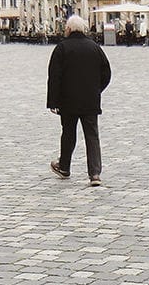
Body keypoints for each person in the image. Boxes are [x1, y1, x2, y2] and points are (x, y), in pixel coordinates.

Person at [47, 14, 111, 187]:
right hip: (90, 100)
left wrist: (53, 102)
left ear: (68, 29)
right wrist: (97, 90)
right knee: (92, 136)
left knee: (68, 134)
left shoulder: (61, 48)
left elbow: (54, 77)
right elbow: (106, 73)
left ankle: (64, 166)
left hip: (68, 101)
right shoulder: (94, 47)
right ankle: (95, 174)